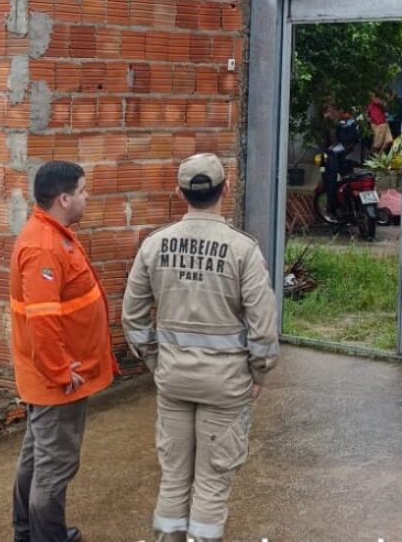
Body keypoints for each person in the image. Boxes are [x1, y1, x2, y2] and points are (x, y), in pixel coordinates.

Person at [122, 153, 280, 542]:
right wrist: (258, 373)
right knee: (212, 479)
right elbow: (263, 327)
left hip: (173, 380)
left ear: (180, 194)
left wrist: (157, 362)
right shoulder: (243, 250)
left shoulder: (154, 246)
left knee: (174, 476)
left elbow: (133, 319)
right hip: (226, 385)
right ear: (225, 189)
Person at [9, 161, 118, 542]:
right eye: (83, 191)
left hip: (52, 377)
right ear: (64, 199)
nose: (88, 197)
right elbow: (42, 320)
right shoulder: (44, 247)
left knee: (36, 458)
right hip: (59, 381)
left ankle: (27, 533)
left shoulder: (53, 234)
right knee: (54, 468)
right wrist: (59, 371)